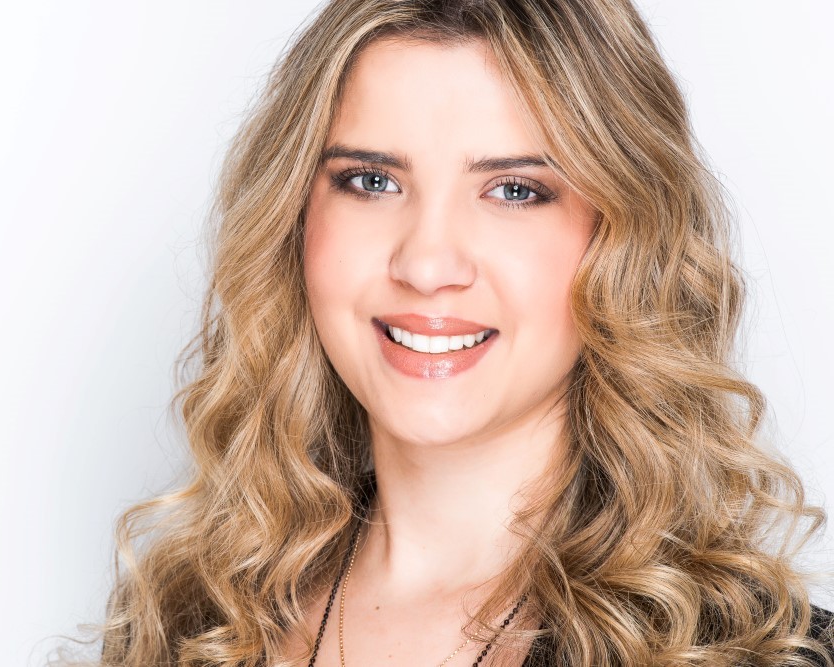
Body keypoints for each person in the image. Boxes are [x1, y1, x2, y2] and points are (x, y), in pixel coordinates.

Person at [85, 1, 834, 665]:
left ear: (625, 239)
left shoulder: (764, 652)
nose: (427, 261)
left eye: (514, 190)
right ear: (294, 221)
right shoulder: (179, 629)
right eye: (371, 181)